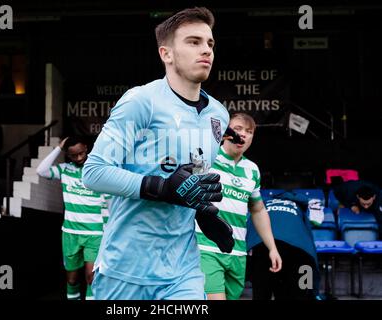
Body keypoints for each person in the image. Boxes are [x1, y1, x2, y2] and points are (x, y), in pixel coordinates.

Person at [82, 7, 230, 300]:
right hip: (125, 272)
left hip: (183, 272)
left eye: (210, 43)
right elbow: (94, 172)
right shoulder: (141, 101)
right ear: (167, 54)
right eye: (193, 41)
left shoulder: (219, 115)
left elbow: (190, 181)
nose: (206, 50)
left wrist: (203, 211)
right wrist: (160, 188)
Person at [196, 113, 282, 300]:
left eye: (249, 131)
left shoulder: (252, 170)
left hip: (238, 252)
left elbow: (258, 210)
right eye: (237, 129)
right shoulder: (206, 157)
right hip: (207, 248)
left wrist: (272, 248)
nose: (243, 134)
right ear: (226, 133)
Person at [36, 136, 110, 300]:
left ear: (86, 147)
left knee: (92, 278)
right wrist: (58, 148)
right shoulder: (64, 170)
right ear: (68, 155)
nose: (79, 158)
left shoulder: (98, 171)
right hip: (70, 233)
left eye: (81, 153)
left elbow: (109, 203)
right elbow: (41, 170)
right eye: (74, 155)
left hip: (95, 234)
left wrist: (108, 230)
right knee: (72, 279)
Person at [246, 191, 321, 300]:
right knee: (290, 292)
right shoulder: (298, 206)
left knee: (261, 292)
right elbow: (309, 233)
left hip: (263, 245)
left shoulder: (264, 203)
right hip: (294, 248)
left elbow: (250, 225)